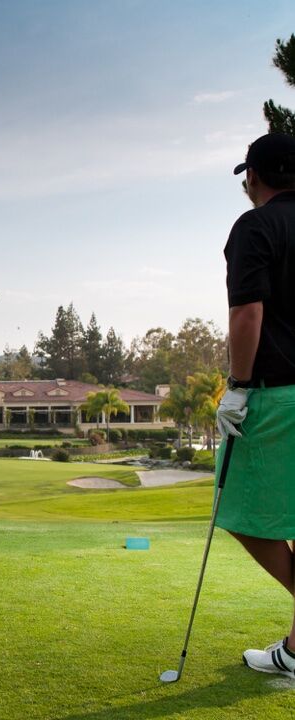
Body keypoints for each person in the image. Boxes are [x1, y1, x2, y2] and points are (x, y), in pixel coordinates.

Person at [216, 132, 295, 678]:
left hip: (278, 394)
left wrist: (238, 386)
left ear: (256, 177)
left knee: (238, 511)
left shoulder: (255, 226)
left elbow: (248, 316)